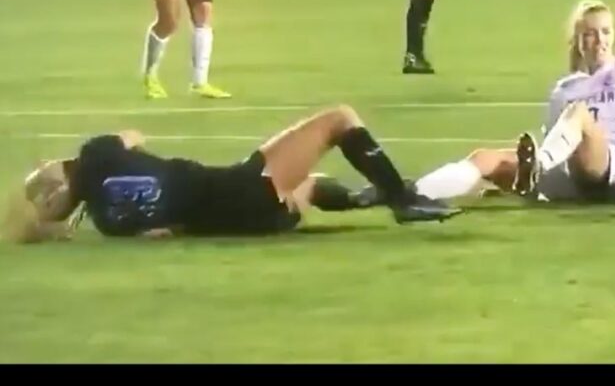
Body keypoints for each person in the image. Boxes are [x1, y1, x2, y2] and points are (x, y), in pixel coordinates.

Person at [6, 105, 456, 243]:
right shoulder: (94, 154)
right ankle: (401, 199)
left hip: (249, 225)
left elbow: (165, 232)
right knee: (339, 119)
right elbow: (131, 134)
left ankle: (364, 198)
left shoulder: (108, 222)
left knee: (305, 187)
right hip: (240, 188)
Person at [411, 0, 615, 204]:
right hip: (566, 177)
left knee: (579, 114)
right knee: (485, 159)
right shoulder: (564, 89)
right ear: (577, 40)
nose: (600, 41)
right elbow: (556, 139)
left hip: (608, 174)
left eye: (605, 32)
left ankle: (536, 167)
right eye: (590, 34)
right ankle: (412, 192)